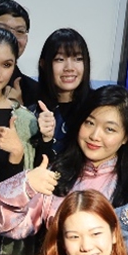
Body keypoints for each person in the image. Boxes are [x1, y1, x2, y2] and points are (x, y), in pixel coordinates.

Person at [0, 84, 128, 248]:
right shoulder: (55, 175)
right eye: (89, 123)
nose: (94, 136)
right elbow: (11, 227)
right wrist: (26, 184)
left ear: (125, 137)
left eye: (109, 129)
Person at [0, 26, 41, 248]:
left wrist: (17, 155)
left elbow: (26, 197)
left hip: (0, 240)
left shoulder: (25, 121)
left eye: (6, 65)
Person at [30, 28, 92, 160]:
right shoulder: (33, 114)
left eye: (78, 59)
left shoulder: (97, 107)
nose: (69, 67)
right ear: (43, 64)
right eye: (59, 59)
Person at [0, 0, 40, 103]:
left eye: (20, 31)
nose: (12, 37)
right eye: (2, 29)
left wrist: (20, 110)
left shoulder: (35, 92)